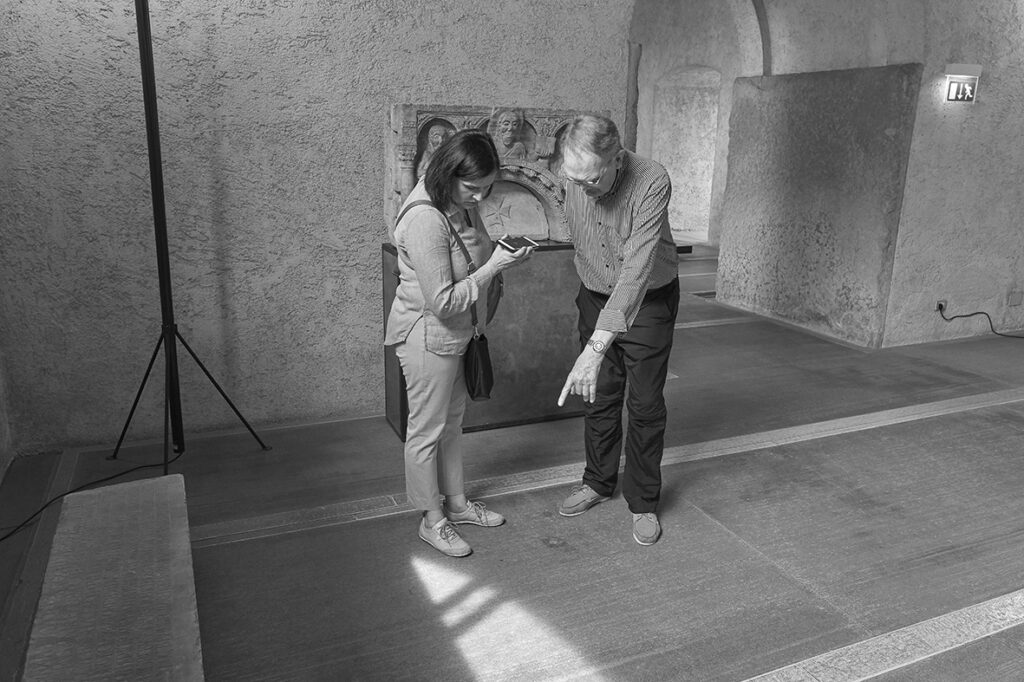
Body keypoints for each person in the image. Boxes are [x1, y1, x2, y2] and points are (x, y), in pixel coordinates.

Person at [385, 129, 534, 557]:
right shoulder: (425, 219)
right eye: (473, 187)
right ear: (448, 174)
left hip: (457, 335)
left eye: (487, 187)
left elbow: (471, 257)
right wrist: (494, 267)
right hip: (428, 336)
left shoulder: (459, 203)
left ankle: (457, 504)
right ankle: (431, 520)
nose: (480, 196)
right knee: (426, 431)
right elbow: (444, 301)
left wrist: (501, 256)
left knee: (451, 426)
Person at [555, 114, 680, 546]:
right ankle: (597, 480)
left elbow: (636, 271)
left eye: (591, 180)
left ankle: (643, 500)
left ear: (616, 159)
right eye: (574, 179)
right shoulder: (572, 177)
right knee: (599, 395)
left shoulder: (651, 180)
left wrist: (593, 349)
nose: (582, 188)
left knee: (644, 404)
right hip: (594, 293)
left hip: (648, 298)